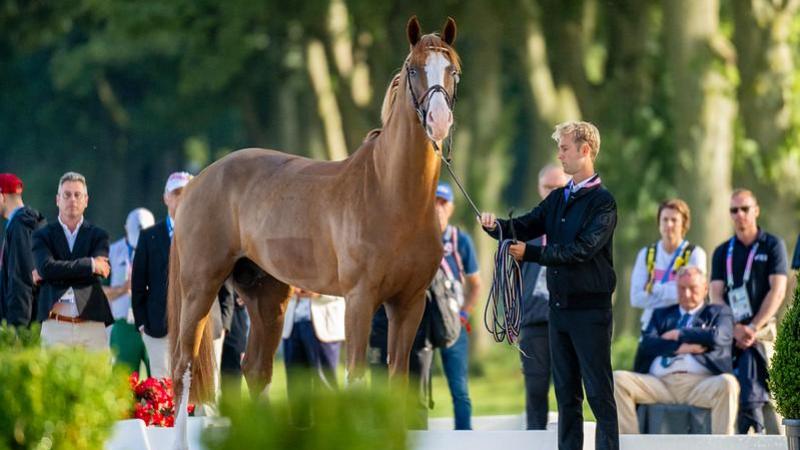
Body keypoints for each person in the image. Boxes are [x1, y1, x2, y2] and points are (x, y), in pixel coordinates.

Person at [480, 121, 619, 450]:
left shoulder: (603, 203)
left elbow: (582, 250)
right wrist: (496, 227)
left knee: (599, 394)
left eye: (565, 148)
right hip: (559, 311)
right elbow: (524, 225)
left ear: (585, 151)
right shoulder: (557, 199)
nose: (560, 155)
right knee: (566, 396)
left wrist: (531, 253)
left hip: (591, 312)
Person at [614, 266, 738, 434]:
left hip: (700, 385)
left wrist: (680, 333)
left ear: (705, 289)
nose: (686, 293)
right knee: (619, 380)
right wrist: (680, 348)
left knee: (728, 383)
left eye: (692, 288)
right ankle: (630, 442)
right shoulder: (661, 314)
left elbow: (719, 337)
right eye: (681, 288)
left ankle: (723, 444)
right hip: (660, 384)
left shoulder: (718, 312)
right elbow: (647, 344)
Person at [710, 189, 788, 434]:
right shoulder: (722, 251)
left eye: (745, 209)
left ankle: (772, 436)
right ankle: (746, 429)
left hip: (763, 332)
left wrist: (752, 328)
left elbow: (778, 291)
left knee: (767, 380)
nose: (740, 214)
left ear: (756, 210)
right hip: (731, 333)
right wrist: (734, 328)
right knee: (730, 379)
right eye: (734, 210)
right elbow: (715, 294)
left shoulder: (773, 245)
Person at [32, 172, 112, 349]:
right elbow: (46, 268)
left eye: (77, 195)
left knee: (98, 369)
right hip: (55, 326)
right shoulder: (42, 235)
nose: (72, 200)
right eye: (67, 195)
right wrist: (90, 264)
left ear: (86, 200)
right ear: (57, 200)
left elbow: (100, 273)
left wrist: (55, 271)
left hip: (92, 325)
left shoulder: (99, 236)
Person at [518, 164, 568, 430]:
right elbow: (511, 276)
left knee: (567, 389)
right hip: (534, 320)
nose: (552, 193)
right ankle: (534, 439)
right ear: (539, 188)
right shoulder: (527, 228)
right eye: (548, 187)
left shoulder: (578, 226)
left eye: (558, 188)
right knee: (535, 388)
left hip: (568, 319)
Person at [132, 171, 193, 378]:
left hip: (195, 324)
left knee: (197, 388)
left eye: (186, 194)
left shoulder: (203, 234)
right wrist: (142, 322)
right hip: (158, 326)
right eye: (176, 194)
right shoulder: (148, 236)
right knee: (162, 387)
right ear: (166, 197)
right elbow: (138, 283)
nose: (181, 199)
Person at [433, 182, 480, 430]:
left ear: (450, 207)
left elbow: (476, 284)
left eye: (443, 203)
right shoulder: (414, 237)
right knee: (416, 386)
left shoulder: (460, 240)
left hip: (453, 322)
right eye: (434, 202)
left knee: (459, 389)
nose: (438, 208)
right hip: (421, 323)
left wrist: (464, 314)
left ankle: (464, 438)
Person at [630, 199, 707, 330]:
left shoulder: (695, 254)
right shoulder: (646, 254)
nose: (669, 224)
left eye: (674, 220)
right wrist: (676, 293)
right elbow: (636, 298)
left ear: (684, 224)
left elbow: (695, 296)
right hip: (651, 326)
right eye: (665, 220)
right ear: (659, 223)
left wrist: (655, 289)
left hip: (684, 326)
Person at [281, 287, 345, 427]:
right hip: (292, 324)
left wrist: (317, 291)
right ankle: (299, 427)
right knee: (296, 382)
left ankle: (328, 428)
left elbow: (344, 287)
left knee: (324, 381)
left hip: (323, 324)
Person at [105, 208, 155, 373]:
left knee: (159, 378)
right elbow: (98, 292)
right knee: (123, 380)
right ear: (126, 228)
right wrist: (123, 289)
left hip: (153, 324)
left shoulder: (160, 251)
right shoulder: (112, 252)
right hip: (124, 325)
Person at [0, 173, 46, 326]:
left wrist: (17, 329)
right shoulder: (23, 223)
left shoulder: (20, 225)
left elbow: (21, 281)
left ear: (2, 196)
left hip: (22, 327)